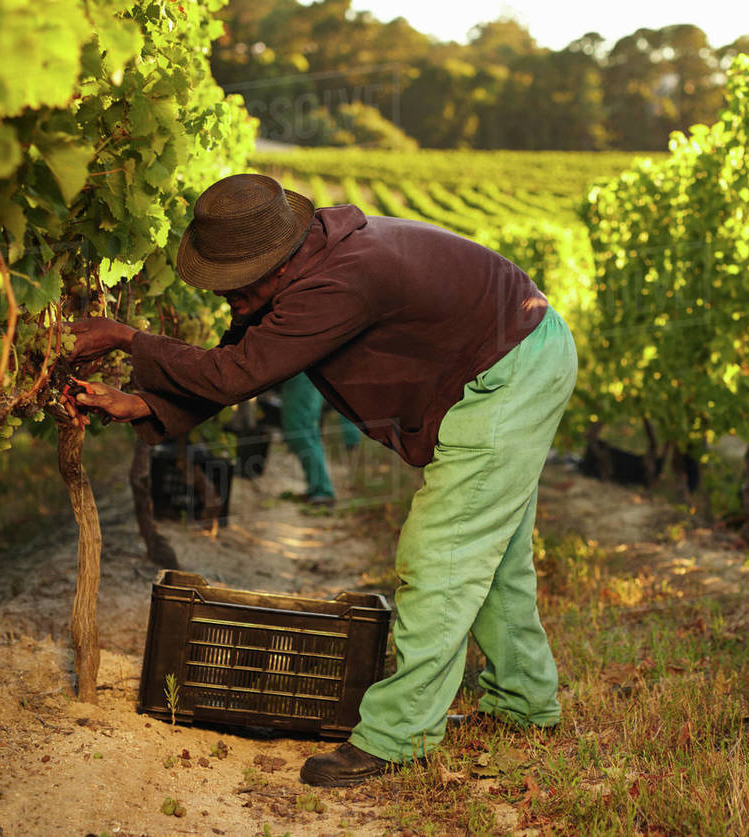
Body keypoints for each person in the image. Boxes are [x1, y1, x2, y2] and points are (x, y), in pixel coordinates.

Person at [69, 172, 578, 787]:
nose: (228, 300)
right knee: (493, 557)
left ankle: (401, 735)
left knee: (443, 552)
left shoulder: (341, 279)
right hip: (522, 347)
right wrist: (146, 405)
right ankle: (524, 702)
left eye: (235, 286)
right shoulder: (305, 259)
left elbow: (238, 371)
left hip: (509, 368)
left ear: (276, 265)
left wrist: (126, 336)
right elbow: (244, 364)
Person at [279, 371, 362, 506]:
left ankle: (322, 492)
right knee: (306, 431)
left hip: (302, 373)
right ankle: (318, 488)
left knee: (301, 431)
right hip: (302, 374)